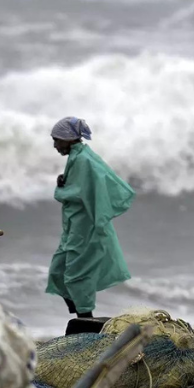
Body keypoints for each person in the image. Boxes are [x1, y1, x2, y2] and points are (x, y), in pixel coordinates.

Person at [46, 117, 135, 319]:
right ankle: (82, 317)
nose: (55, 145)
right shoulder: (78, 158)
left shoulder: (84, 160)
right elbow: (81, 187)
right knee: (58, 273)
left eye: (57, 140)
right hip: (73, 229)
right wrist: (64, 184)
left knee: (77, 277)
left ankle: (85, 320)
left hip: (84, 231)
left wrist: (61, 190)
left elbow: (80, 192)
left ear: (68, 139)